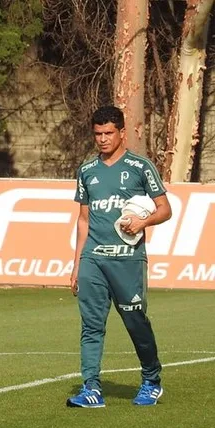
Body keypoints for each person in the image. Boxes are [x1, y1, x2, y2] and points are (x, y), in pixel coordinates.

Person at [67, 105, 171, 408]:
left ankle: (151, 379)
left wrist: (143, 222)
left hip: (128, 260)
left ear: (122, 133)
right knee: (91, 324)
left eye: (108, 133)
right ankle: (91, 388)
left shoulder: (140, 167)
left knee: (135, 321)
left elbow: (165, 208)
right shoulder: (86, 171)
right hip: (93, 259)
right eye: (97, 133)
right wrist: (77, 264)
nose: (102, 139)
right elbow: (84, 219)